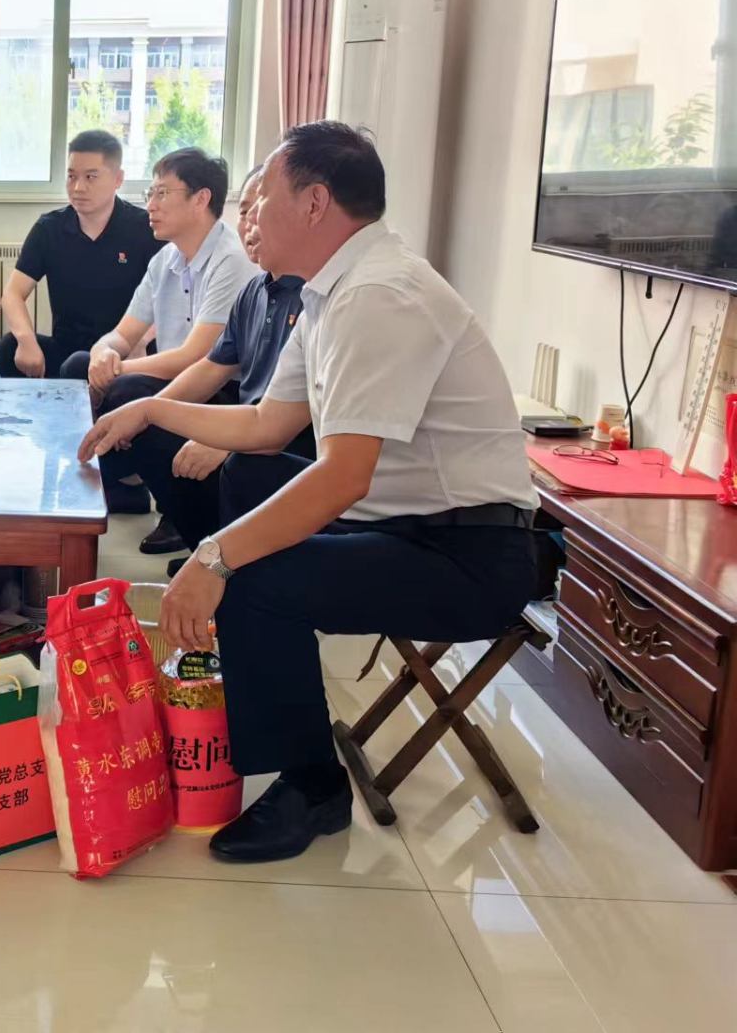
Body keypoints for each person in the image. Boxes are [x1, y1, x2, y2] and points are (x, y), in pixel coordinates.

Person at [81, 121, 539, 864]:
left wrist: (215, 556)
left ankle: (312, 786)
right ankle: (286, 721)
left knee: (252, 578)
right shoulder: (329, 292)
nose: (249, 214)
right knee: (248, 496)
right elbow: (268, 423)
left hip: (469, 551)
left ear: (316, 202)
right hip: (403, 522)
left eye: (262, 196)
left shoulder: (380, 295)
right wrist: (153, 408)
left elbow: (343, 475)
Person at [120, 165, 316, 559]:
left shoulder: (315, 296)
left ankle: (229, 564)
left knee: (242, 468)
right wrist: (144, 413)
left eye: (260, 209)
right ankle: (206, 552)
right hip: (250, 423)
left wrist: (225, 443)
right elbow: (210, 368)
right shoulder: (255, 291)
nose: (249, 224)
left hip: (289, 442)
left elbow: (297, 417)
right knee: (144, 417)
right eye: (243, 212)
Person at [63, 148, 258, 520]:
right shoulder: (165, 259)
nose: (150, 205)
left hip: (219, 389)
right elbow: (122, 334)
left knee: (126, 388)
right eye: (150, 193)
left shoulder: (231, 260)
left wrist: (118, 369)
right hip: (176, 377)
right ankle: (115, 485)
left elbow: (195, 357)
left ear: (201, 199)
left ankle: (175, 506)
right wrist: (104, 353)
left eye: (163, 193)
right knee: (78, 366)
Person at [0, 129, 159, 379]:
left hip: (122, 352)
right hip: (66, 350)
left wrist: (141, 340)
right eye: (71, 176)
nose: (78, 187)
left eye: (91, 177)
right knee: (10, 347)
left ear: (118, 179)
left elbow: (171, 300)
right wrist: (26, 340)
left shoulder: (144, 228)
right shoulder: (49, 228)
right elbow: (13, 293)